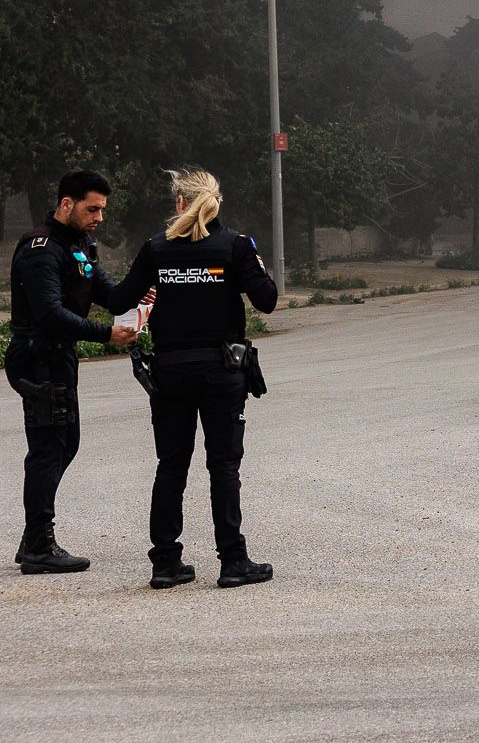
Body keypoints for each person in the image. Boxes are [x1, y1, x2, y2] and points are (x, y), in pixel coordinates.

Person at [105, 170, 278, 590]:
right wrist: (245, 269)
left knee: (171, 465)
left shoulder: (156, 248)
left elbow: (118, 300)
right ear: (216, 203)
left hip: (170, 371)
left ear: (180, 202)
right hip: (222, 371)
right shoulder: (235, 245)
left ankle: (165, 563)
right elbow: (267, 301)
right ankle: (233, 561)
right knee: (223, 466)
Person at [6, 169, 139, 573]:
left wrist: (143, 288)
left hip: (59, 357)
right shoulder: (41, 249)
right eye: (92, 209)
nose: (99, 217)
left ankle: (33, 536)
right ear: (67, 204)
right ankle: (38, 545)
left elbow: (110, 294)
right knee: (48, 448)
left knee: (66, 444)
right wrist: (106, 334)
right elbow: (49, 313)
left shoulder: (81, 244)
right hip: (37, 357)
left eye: (102, 209)